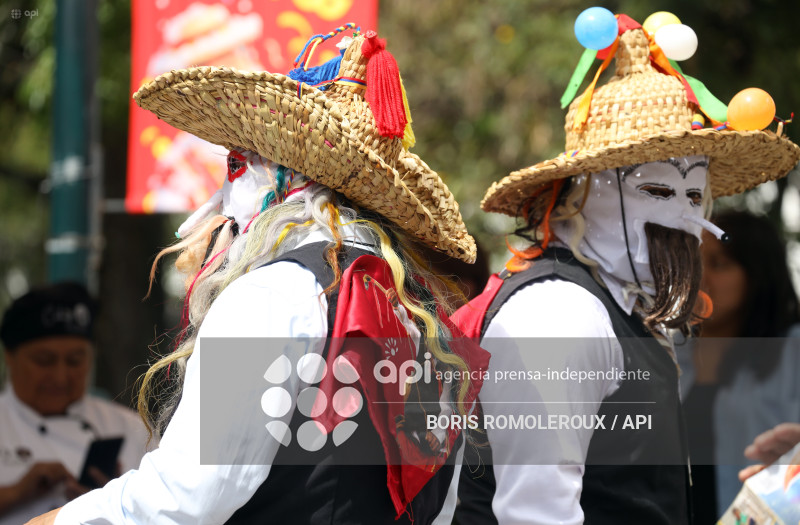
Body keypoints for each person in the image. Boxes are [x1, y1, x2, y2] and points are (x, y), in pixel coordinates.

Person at [29, 26, 489, 524]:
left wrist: (60, 520)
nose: (220, 200)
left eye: (234, 166)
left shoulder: (274, 294)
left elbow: (189, 495)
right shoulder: (420, 312)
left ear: (279, 175)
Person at [452, 13, 799, 525]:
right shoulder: (558, 315)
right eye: (656, 190)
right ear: (581, 193)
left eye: (694, 195)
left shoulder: (624, 309)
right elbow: (536, 515)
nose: (682, 215)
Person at [678, 210, 800, 520]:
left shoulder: (791, 350)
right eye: (694, 260)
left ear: (758, 274)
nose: (700, 276)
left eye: (718, 264)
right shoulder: (668, 355)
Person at [0, 282, 150, 525]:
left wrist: (113, 501)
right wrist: (16, 492)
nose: (60, 376)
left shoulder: (131, 429)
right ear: (9, 356)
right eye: (44, 361)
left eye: (74, 361)